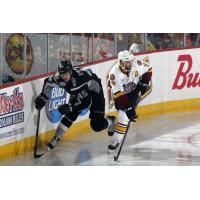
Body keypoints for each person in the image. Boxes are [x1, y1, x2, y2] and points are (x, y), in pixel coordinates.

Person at [35, 60, 116, 150]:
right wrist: (43, 97)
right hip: (80, 91)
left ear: (71, 72)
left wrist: (70, 106)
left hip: (94, 90)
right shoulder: (58, 78)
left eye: (66, 73)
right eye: (62, 74)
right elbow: (48, 82)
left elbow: (86, 101)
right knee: (71, 112)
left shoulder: (78, 80)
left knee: (97, 125)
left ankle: (111, 121)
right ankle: (56, 137)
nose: (64, 76)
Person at [107, 50, 152, 152]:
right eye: (127, 62)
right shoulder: (114, 74)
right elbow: (118, 94)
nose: (130, 64)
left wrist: (144, 82)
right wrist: (128, 108)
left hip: (134, 91)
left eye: (131, 61)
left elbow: (149, 69)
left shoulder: (136, 64)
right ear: (121, 62)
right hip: (121, 95)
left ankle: (116, 141)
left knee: (124, 117)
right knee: (125, 113)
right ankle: (113, 123)